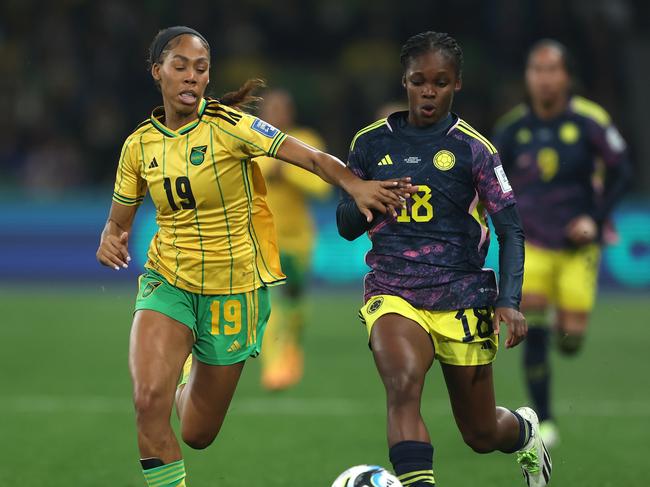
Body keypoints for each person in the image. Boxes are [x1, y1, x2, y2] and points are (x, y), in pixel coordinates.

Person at [96, 26, 412, 487]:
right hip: (168, 281)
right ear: (157, 72)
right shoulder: (138, 146)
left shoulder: (230, 125)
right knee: (147, 402)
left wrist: (355, 184)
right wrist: (111, 237)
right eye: (180, 67)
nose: (190, 77)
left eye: (200, 69)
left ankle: (189, 368)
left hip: (235, 290)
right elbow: (118, 223)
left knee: (198, 433)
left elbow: (309, 158)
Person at [337, 31, 552, 487]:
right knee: (402, 385)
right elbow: (345, 224)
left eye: (440, 81)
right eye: (419, 81)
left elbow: (509, 228)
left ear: (457, 84)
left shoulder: (474, 149)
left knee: (480, 432)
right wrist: (366, 201)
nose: (428, 91)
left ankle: (524, 432)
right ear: (405, 81)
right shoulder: (371, 144)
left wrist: (509, 300)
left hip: (462, 296)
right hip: (394, 291)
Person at [493, 39, 631, 448]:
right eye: (536, 69)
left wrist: (597, 218)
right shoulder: (513, 128)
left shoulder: (590, 121)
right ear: (527, 77)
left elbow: (622, 171)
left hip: (576, 245)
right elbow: (489, 180)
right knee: (532, 327)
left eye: (552, 69)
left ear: (567, 76)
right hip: (531, 241)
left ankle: (561, 329)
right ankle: (546, 420)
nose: (544, 78)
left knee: (570, 341)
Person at [254, 89, 331, 391]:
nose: (276, 113)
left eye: (282, 108)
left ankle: (292, 349)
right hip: (261, 238)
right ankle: (274, 368)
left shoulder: (305, 142)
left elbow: (321, 186)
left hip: (298, 239)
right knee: (266, 303)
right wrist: (269, 168)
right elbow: (246, 179)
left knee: (295, 302)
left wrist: (287, 172)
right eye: (271, 108)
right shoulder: (252, 141)